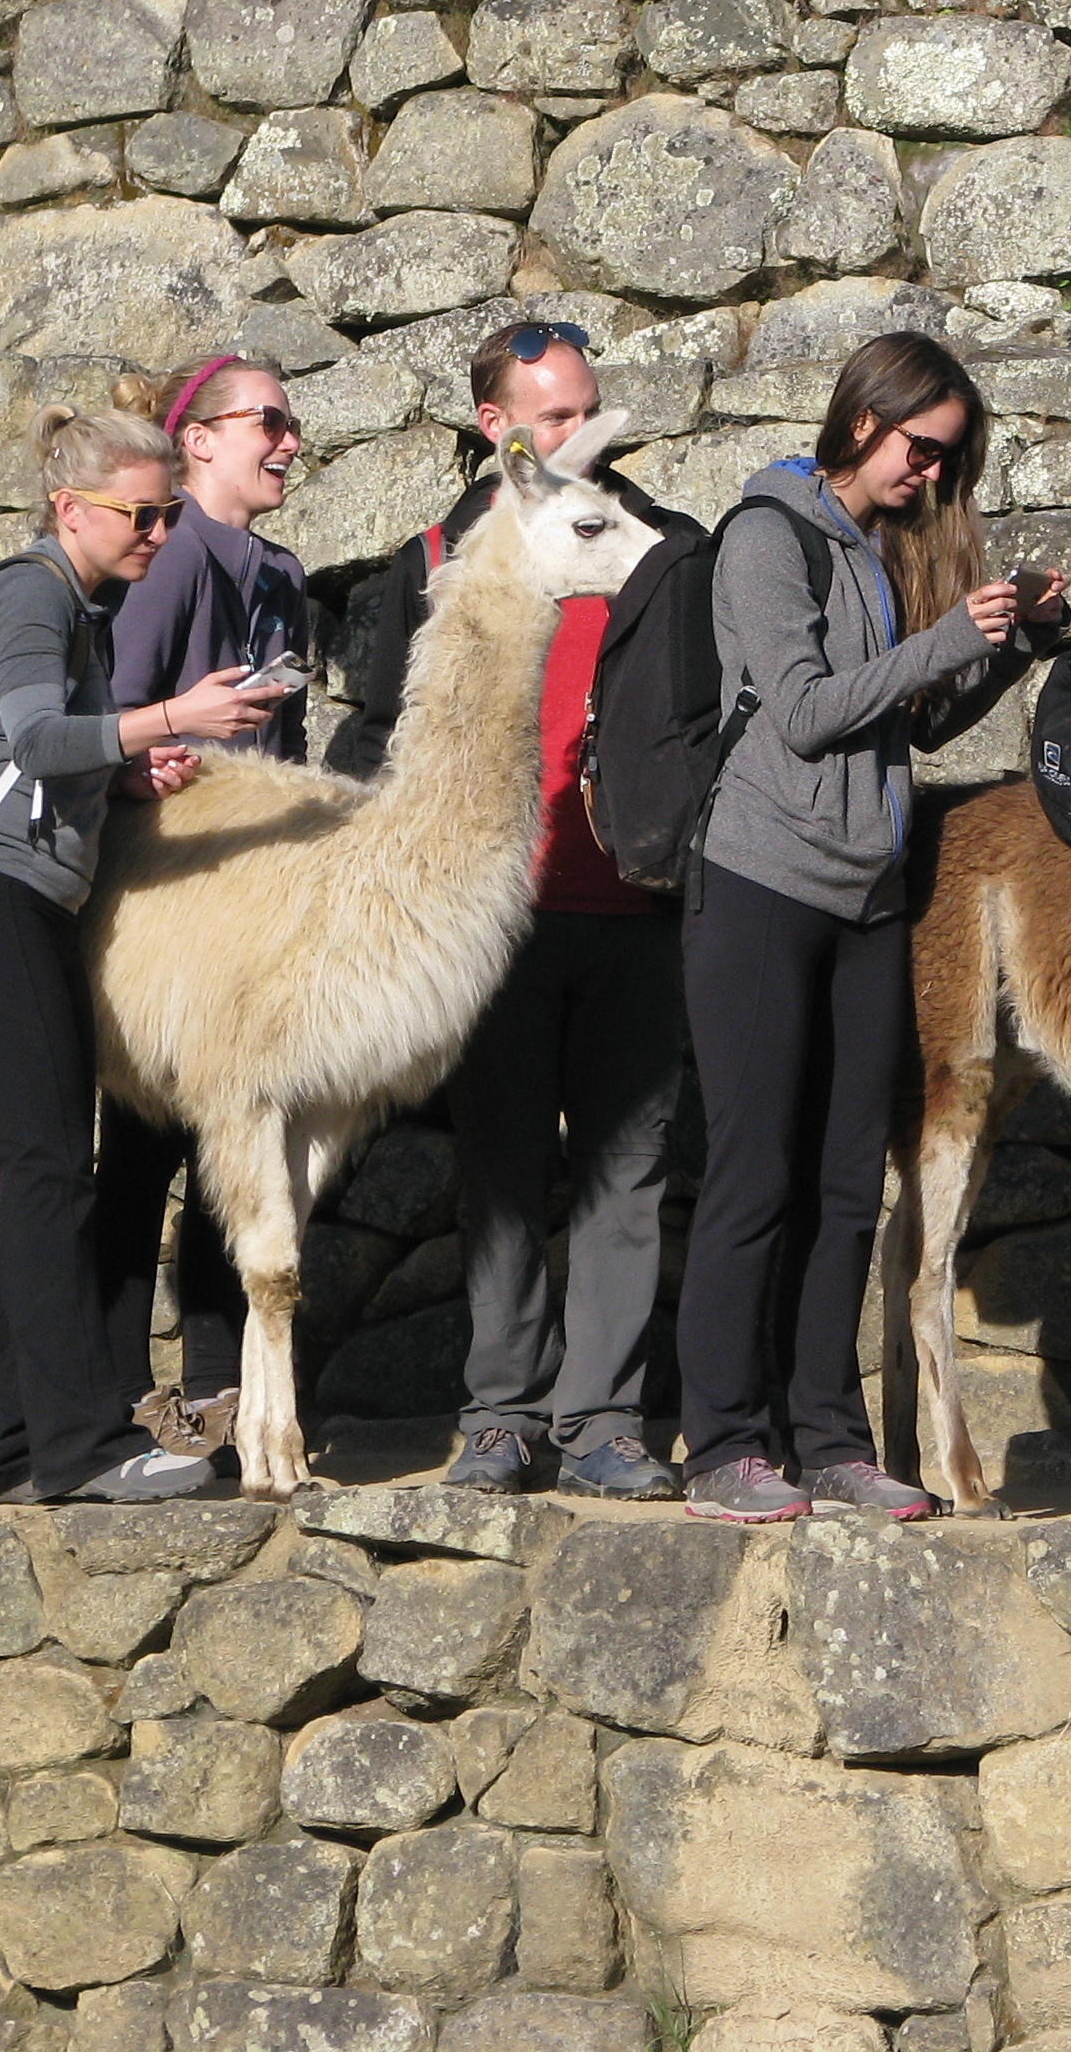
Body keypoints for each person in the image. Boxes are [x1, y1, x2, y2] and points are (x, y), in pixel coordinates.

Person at [676, 330, 1067, 1524]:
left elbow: (912, 730)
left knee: (850, 1182)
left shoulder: (878, 549)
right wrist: (949, 636)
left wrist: (1007, 653)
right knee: (756, 1173)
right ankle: (726, 1445)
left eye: (949, 463)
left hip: (866, 895)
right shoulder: (764, 536)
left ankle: (831, 1441)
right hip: (757, 883)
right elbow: (797, 715)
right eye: (922, 449)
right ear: (861, 420)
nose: (933, 479)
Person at [343, 321, 697, 1502]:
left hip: (636, 908)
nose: (579, 431)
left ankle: (603, 1422)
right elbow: (371, 734)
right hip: (487, 921)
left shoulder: (665, 550)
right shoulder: (433, 556)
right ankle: (500, 1416)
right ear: (497, 432)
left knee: (625, 1173)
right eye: (551, 417)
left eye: (588, 407)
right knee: (498, 1170)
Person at [0, 404, 282, 1505]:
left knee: (42, 1172)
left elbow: (30, 755)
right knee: (48, 1177)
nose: (160, 533)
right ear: (68, 508)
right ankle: (81, 1444)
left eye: (168, 512)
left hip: (21, 909)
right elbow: (31, 738)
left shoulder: (77, 600)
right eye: (140, 513)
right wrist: (172, 715)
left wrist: (121, 775)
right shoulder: (34, 592)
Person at [88, 356, 311, 1472]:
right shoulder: (171, 561)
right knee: (135, 1159)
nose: (287, 440)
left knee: (245, 1150)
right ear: (200, 440)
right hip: (165, 917)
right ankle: (119, 1394)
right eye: (267, 420)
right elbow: (109, 722)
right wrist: (148, 767)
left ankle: (222, 1401)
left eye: (291, 422)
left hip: (254, 923)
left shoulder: (277, 573)